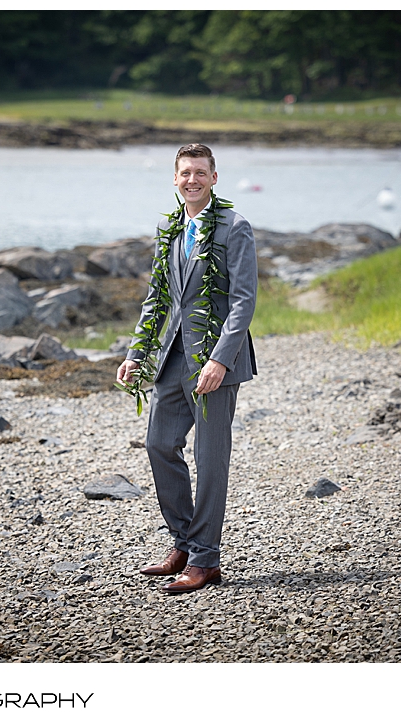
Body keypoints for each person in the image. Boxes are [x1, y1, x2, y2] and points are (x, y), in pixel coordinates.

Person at [116, 143, 258, 594]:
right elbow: (158, 296)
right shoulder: (169, 227)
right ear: (174, 179)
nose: (192, 180)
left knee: (210, 460)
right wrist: (136, 352)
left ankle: (205, 560)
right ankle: (183, 541)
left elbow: (243, 302)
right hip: (172, 357)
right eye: (184, 173)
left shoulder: (235, 228)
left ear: (214, 178)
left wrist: (220, 358)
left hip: (215, 362)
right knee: (159, 444)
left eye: (200, 172)